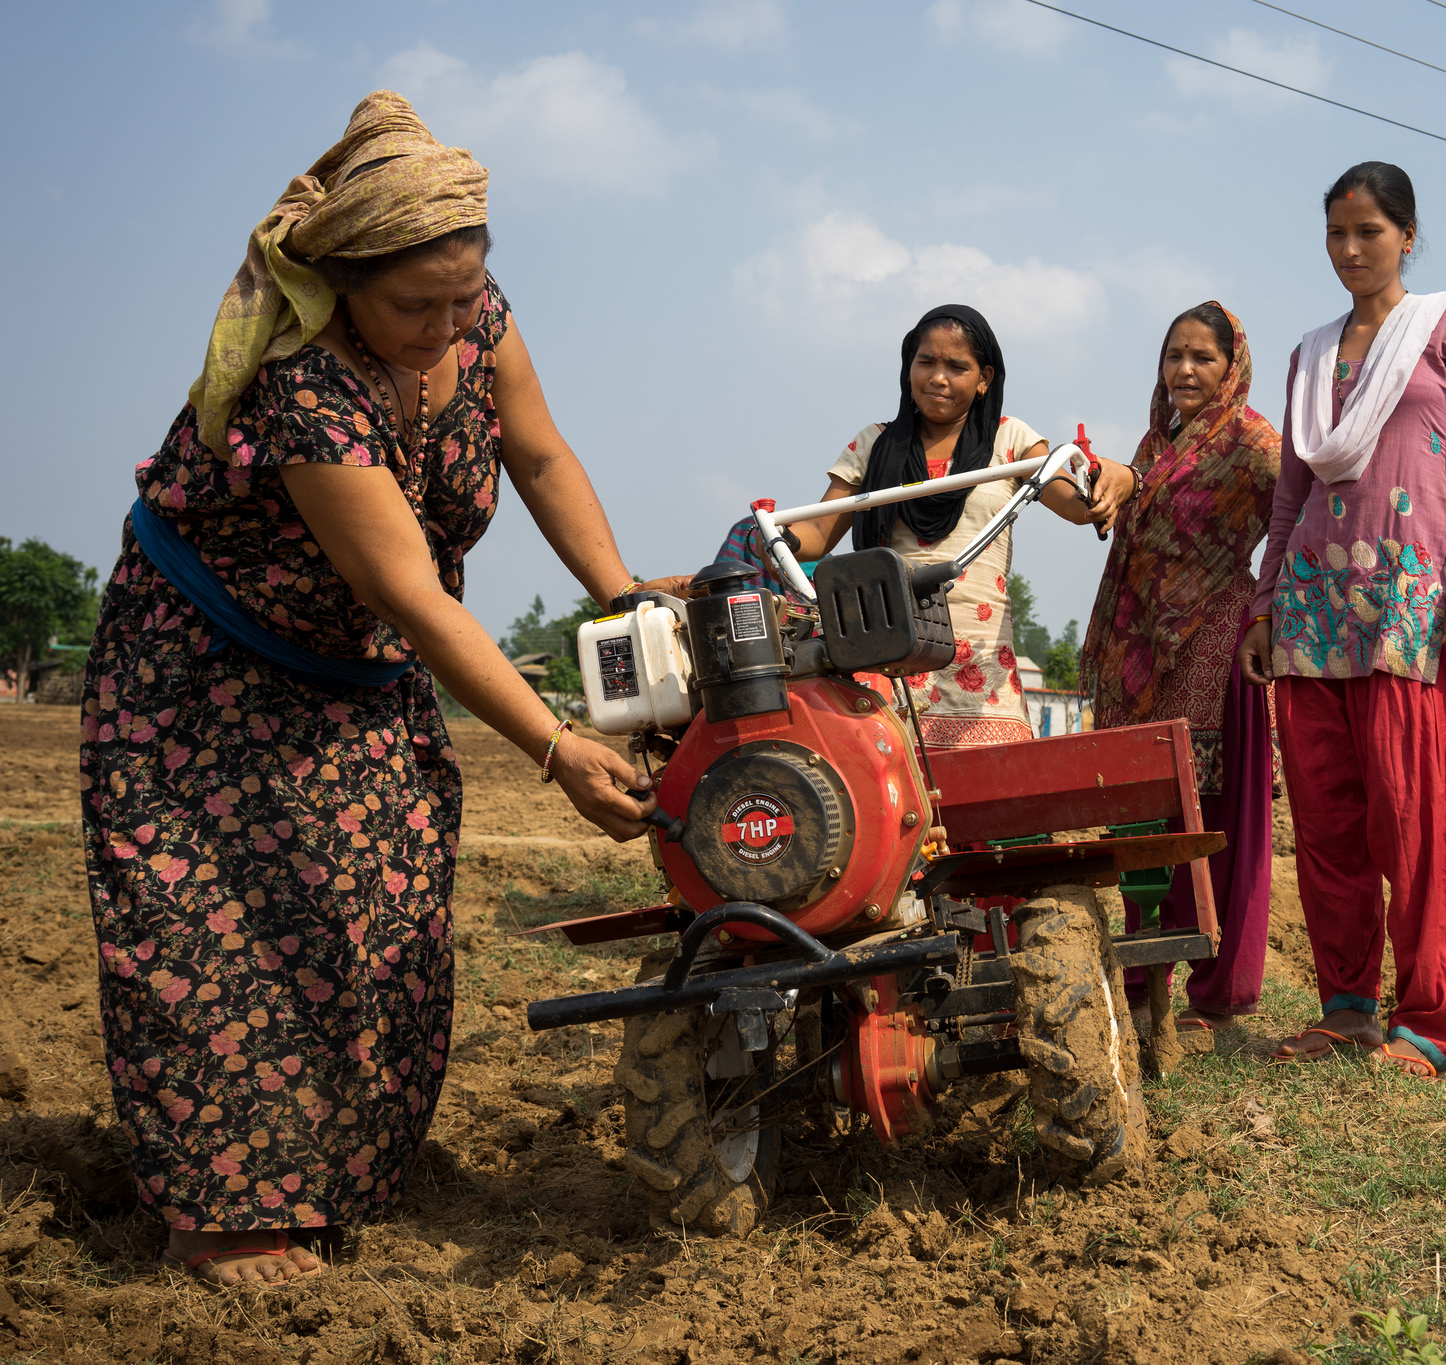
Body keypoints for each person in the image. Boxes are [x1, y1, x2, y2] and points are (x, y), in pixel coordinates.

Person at [84, 92, 673, 1285]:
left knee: (383, 915)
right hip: (206, 678)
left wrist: (619, 593)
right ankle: (225, 1212)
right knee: (229, 928)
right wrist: (555, 748)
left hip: (355, 669)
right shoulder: (302, 387)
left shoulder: (474, 317)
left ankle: (338, 1174)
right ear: (340, 284)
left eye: (463, 299)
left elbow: (542, 452)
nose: (446, 326)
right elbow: (415, 596)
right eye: (415, 305)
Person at [1240, 161, 1446, 1077]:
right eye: (1336, 234)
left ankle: (1429, 1018)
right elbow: (1290, 495)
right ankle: (1346, 1007)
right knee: (1329, 822)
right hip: (1312, 606)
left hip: (1408, 604)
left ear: (1408, 236)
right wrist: (1265, 600)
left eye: (1370, 233)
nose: (1350, 250)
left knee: (1416, 818)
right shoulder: (1311, 354)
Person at [777, 304, 1134, 748]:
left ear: (984, 378)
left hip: (982, 670)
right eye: (926, 362)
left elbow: (1075, 504)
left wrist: (1113, 483)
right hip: (890, 658)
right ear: (908, 368)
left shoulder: (1012, 440)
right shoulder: (873, 444)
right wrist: (778, 538)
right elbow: (816, 535)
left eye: (956, 366)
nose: (938, 378)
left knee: (992, 796)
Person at [1081, 302, 1280, 1029]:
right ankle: (1141, 975)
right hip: (1136, 646)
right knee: (1140, 808)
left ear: (1233, 367)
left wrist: (1273, 615)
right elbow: (1125, 496)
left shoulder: (1257, 444)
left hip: (1213, 636)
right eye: (1174, 356)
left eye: (1202, 357)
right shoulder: (1156, 440)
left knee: (1209, 813)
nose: (1185, 370)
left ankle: (1216, 990)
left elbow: (1298, 515)